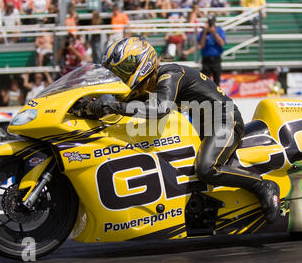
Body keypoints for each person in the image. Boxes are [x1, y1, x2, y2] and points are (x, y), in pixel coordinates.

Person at [79, 37, 281, 224]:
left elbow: (160, 108)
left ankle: (263, 186)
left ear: (141, 65)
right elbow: (123, 110)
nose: (119, 77)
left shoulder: (170, 74)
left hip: (226, 120)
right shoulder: (146, 88)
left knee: (207, 168)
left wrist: (111, 107)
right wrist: (88, 107)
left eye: (122, 71)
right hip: (201, 129)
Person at [197, 14, 225, 86]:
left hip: (216, 59)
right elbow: (201, 45)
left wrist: (214, 33)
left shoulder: (219, 30)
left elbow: (222, 43)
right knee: (205, 84)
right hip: (206, 60)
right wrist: (205, 32)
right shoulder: (203, 31)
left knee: (217, 83)